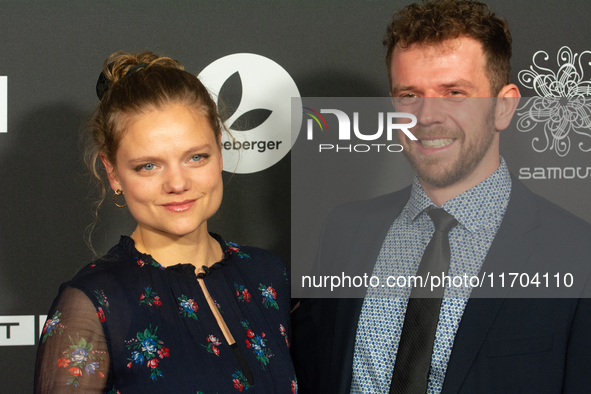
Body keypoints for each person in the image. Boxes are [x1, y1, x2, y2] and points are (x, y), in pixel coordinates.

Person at [291, 1, 591, 393]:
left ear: (504, 106)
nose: (427, 115)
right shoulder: (346, 231)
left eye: (454, 92)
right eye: (409, 94)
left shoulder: (577, 255)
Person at [35, 51, 296, 393]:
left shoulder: (268, 275)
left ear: (219, 151)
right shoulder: (94, 302)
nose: (177, 184)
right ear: (112, 172)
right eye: (148, 165)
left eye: (195, 157)